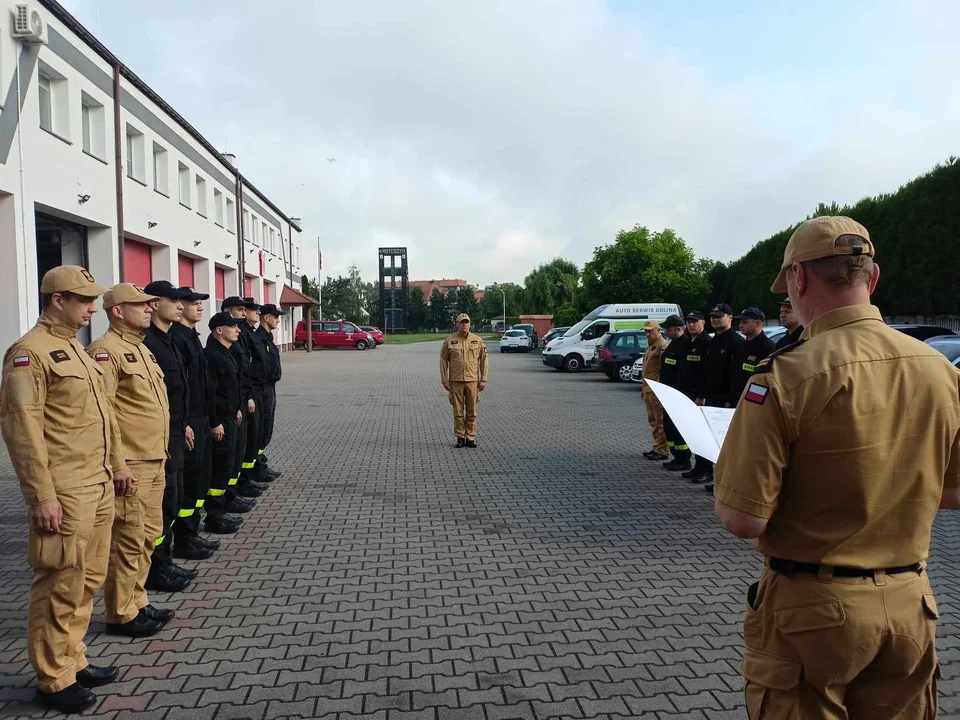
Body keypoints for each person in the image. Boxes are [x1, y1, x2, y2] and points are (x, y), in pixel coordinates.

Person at [714, 216, 960, 719]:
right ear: (872, 278)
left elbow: (744, 519)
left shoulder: (786, 376)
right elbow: (953, 493)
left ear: (799, 279)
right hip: (912, 603)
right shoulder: (940, 369)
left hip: (814, 612)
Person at [0, 266, 119, 713]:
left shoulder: (75, 348)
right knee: (59, 584)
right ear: (56, 300)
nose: (93, 308)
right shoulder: (29, 353)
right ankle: (52, 678)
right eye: (84, 300)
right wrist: (41, 496)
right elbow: (22, 430)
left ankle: (73, 657)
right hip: (66, 491)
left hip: (98, 481)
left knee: (87, 580)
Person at [87, 283, 178, 638]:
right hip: (132, 463)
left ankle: (137, 601)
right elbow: (103, 414)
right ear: (117, 311)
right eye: (139, 305)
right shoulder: (105, 352)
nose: (148, 309)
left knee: (148, 535)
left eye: (149, 304)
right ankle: (121, 612)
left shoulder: (140, 349)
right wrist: (117, 463)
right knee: (128, 537)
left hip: (154, 456)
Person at [142, 280, 197, 591]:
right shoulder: (147, 343)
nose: (180, 305)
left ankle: (164, 561)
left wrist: (184, 423)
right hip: (155, 439)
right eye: (174, 300)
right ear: (154, 303)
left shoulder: (169, 340)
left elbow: (178, 392)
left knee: (171, 499)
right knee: (159, 505)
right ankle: (155, 568)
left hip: (175, 431)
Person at [170, 287, 221, 556]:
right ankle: (184, 539)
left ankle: (192, 532)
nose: (199, 306)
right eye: (193, 303)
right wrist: (187, 422)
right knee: (188, 484)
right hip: (188, 422)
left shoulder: (191, 336)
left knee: (199, 478)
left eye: (200, 303)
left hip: (200, 418)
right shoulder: (176, 338)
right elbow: (179, 388)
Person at [204, 312, 247, 534]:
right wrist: (215, 421)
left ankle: (222, 510)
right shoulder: (212, 355)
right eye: (233, 327)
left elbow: (233, 386)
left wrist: (238, 407)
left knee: (229, 464)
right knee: (219, 469)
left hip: (231, 417)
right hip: (220, 421)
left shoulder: (226, 352)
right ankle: (214, 516)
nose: (238, 330)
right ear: (219, 330)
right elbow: (209, 393)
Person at [693, 303, 744, 490]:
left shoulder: (737, 343)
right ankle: (707, 471)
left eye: (719, 316)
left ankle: (725, 482)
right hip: (710, 398)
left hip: (726, 400)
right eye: (713, 316)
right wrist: (702, 395)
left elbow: (736, 376)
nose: (715, 319)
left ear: (730, 318)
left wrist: (731, 399)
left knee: (725, 443)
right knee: (709, 437)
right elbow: (707, 372)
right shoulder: (713, 341)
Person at [220, 297, 257, 513]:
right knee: (226, 459)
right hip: (227, 410)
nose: (244, 313)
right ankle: (223, 504)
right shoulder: (218, 348)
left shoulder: (239, 338)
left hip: (241, 401)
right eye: (240, 310)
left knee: (240, 451)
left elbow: (244, 371)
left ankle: (237, 489)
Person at [440, 313, 489, 448]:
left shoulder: (477, 341)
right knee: (458, 411)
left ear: (470, 324)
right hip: (455, 381)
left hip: (472, 381)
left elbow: (484, 360)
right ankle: (460, 437)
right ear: (457, 324)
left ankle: (470, 437)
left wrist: (483, 379)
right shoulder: (449, 341)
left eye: (466, 322)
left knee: (472, 411)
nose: (464, 325)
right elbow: (443, 361)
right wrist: (444, 380)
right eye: (461, 322)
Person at [238, 297, 271, 495]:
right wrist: (248, 394)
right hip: (252, 391)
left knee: (260, 433)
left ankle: (256, 469)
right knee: (250, 437)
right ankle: (245, 479)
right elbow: (245, 368)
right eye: (251, 310)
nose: (255, 313)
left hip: (262, 388)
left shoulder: (252, 334)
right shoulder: (243, 335)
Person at [255, 303, 286, 481]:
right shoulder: (259, 337)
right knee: (261, 429)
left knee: (267, 428)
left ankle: (261, 463)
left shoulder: (267, 337)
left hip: (270, 388)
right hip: (263, 388)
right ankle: (258, 467)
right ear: (266, 317)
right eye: (275, 317)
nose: (278, 320)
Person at [678, 310, 710, 481]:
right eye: (689, 322)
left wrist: (702, 395)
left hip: (698, 395)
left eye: (694, 321)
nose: (691, 325)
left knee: (702, 433)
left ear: (703, 322)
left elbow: (707, 373)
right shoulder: (690, 342)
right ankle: (698, 466)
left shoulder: (706, 342)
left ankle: (706, 470)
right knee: (693, 433)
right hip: (686, 392)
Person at [658, 315, 692, 472]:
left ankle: (684, 458)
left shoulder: (685, 345)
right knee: (668, 428)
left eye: (669, 329)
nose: (666, 332)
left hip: (677, 395)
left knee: (678, 429)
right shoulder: (673, 344)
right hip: (667, 394)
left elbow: (684, 373)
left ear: (679, 329)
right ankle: (676, 456)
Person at [729, 307, 775, 405]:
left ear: (758, 323)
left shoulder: (768, 347)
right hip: (736, 400)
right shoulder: (741, 345)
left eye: (745, 322)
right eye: (740, 322)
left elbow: (766, 380)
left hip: (753, 402)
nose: (740, 326)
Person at [640, 319, 669, 462]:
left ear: (658, 331)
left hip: (656, 389)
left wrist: (660, 390)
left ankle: (663, 450)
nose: (648, 334)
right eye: (646, 331)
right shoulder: (651, 346)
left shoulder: (662, 346)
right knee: (652, 421)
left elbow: (664, 370)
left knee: (659, 421)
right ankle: (657, 447)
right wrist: (643, 388)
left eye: (650, 331)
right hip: (648, 389)